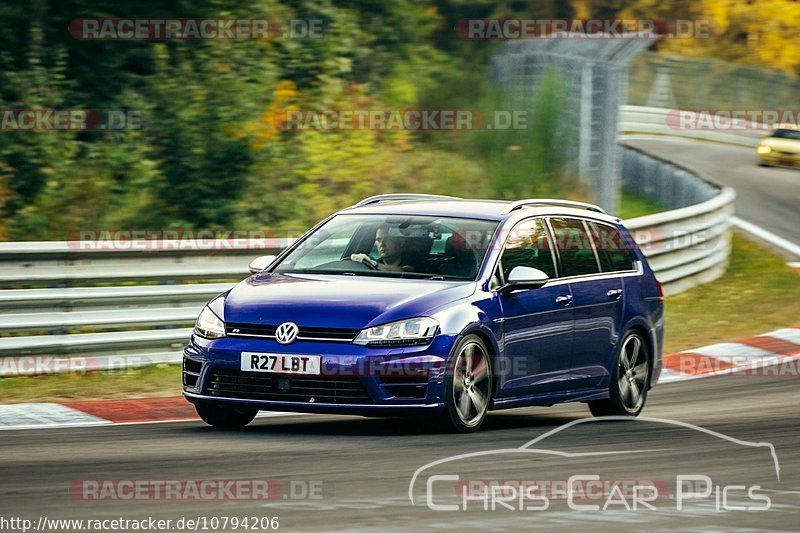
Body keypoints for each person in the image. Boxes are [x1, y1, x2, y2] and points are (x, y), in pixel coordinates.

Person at [351, 225, 415, 272]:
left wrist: (373, 264)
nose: (382, 244)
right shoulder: (378, 262)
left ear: (401, 242)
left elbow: (405, 271)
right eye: (378, 240)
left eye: (387, 239)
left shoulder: (413, 261)